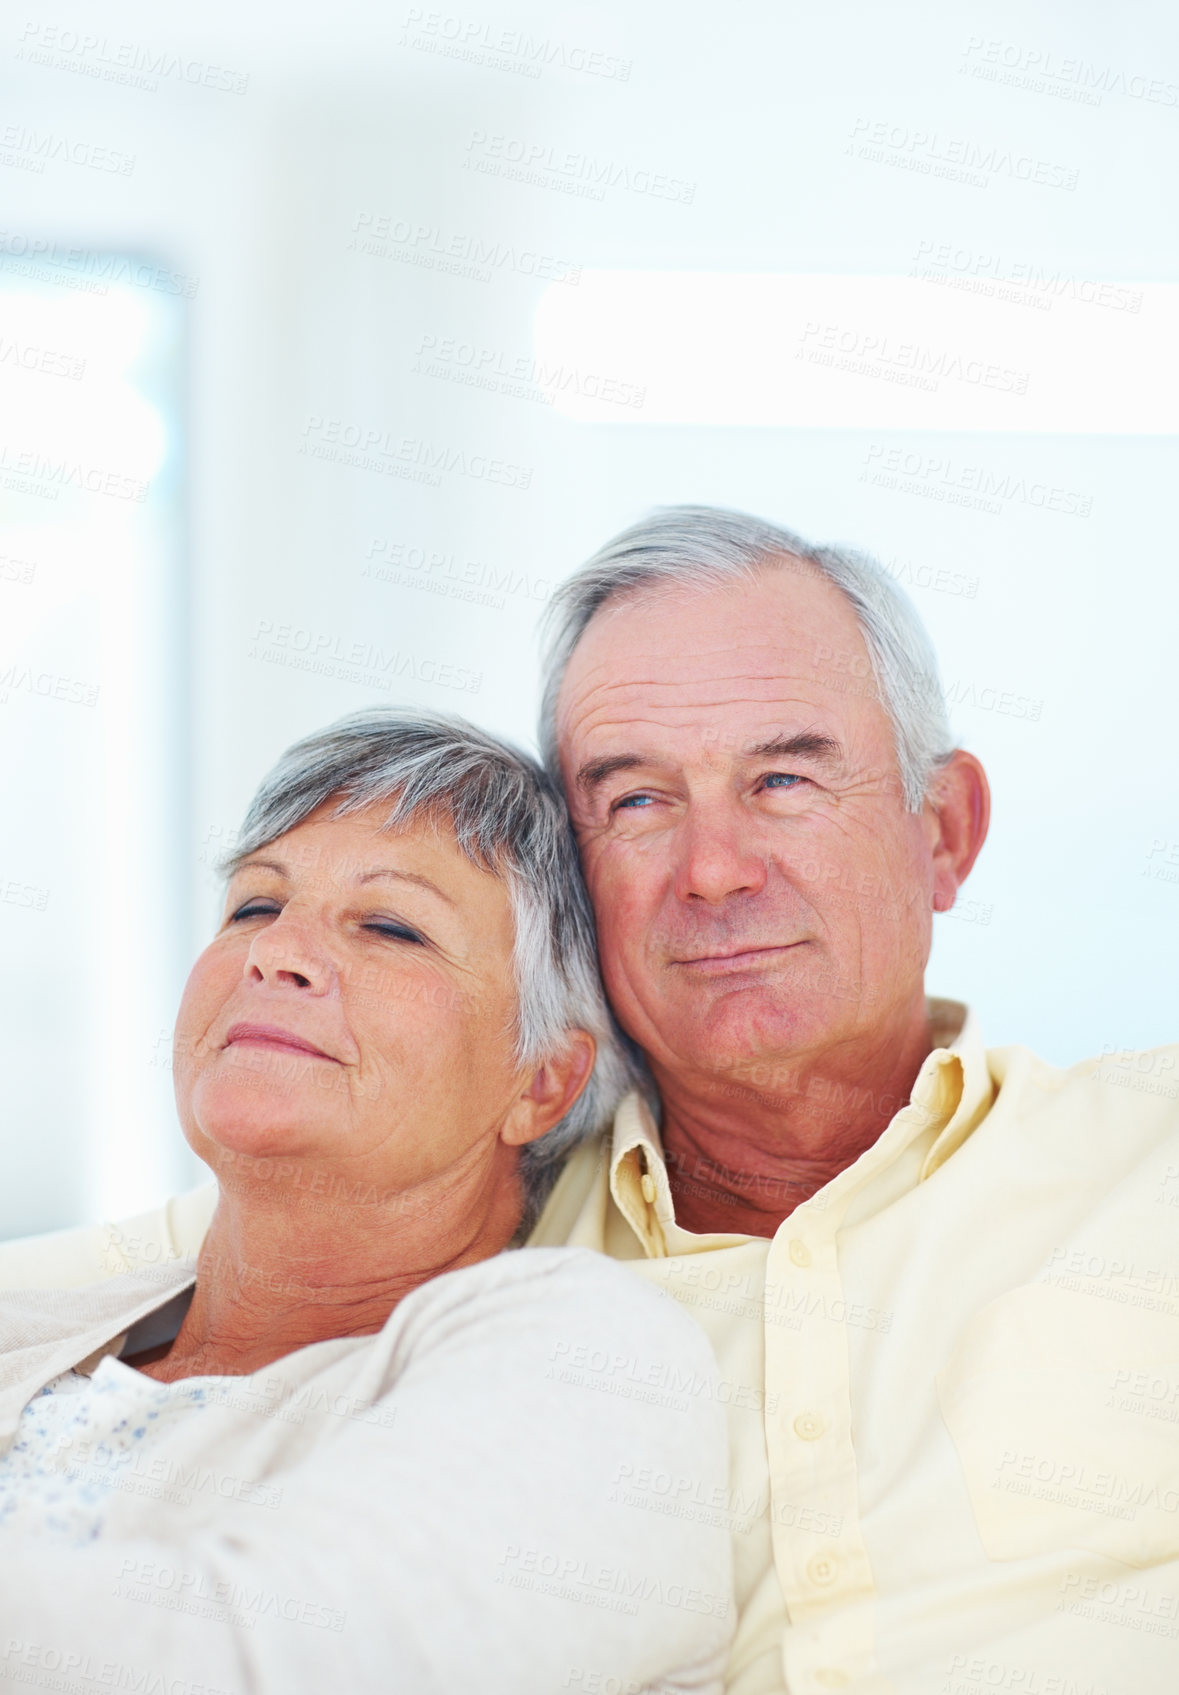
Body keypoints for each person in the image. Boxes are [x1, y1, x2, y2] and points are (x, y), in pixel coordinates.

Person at [5, 507, 1177, 1694]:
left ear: (945, 832)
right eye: (636, 803)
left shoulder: (1152, 1155)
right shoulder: (456, 1197)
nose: (716, 870)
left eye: (783, 779)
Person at [0, 711, 733, 1695]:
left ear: (542, 1085)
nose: (278, 954)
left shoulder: (593, 1357)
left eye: (391, 926)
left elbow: (251, 1667)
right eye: (254, 907)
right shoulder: (30, 1323)